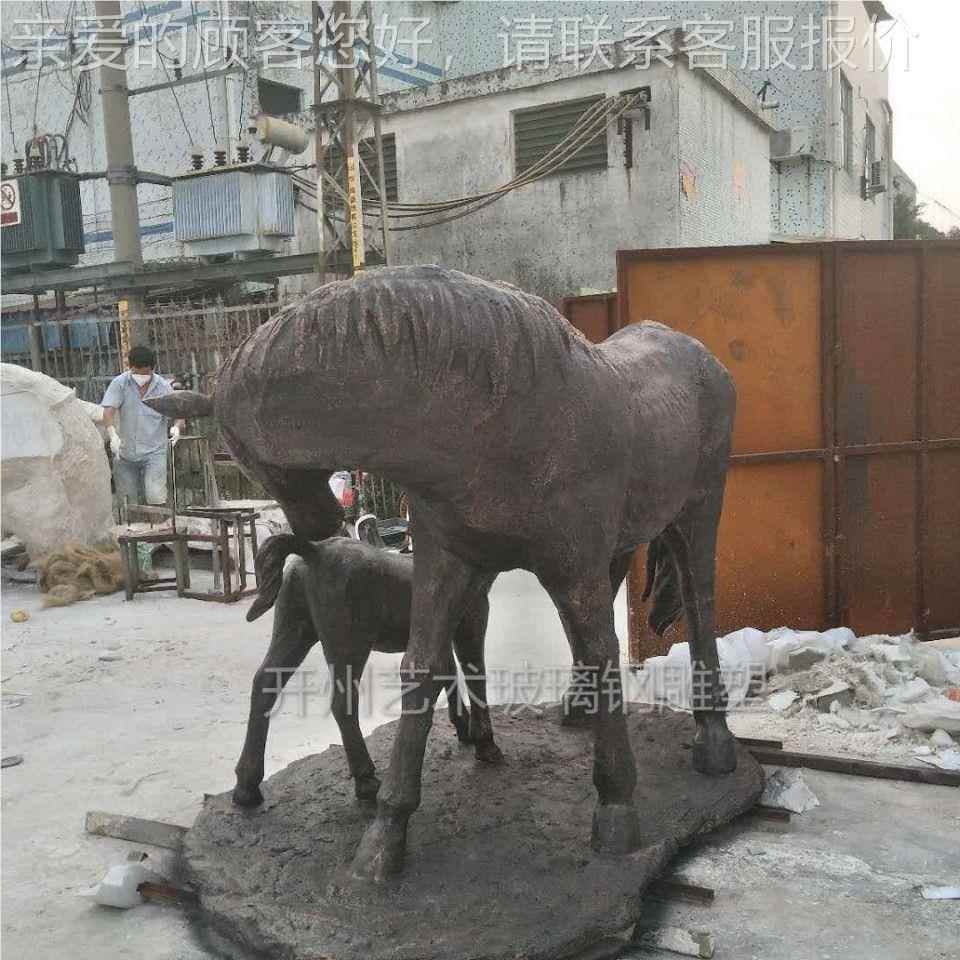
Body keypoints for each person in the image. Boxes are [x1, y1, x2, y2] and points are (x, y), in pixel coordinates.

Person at [101, 346, 185, 506]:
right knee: (127, 501)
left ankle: (160, 528)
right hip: (124, 452)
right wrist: (112, 435)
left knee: (155, 496)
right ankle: (131, 528)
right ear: (130, 368)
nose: (140, 377)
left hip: (154, 452)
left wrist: (177, 428)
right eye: (136, 373)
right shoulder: (120, 384)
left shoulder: (162, 387)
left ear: (152, 369)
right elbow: (108, 412)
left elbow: (178, 415)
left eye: (145, 373)